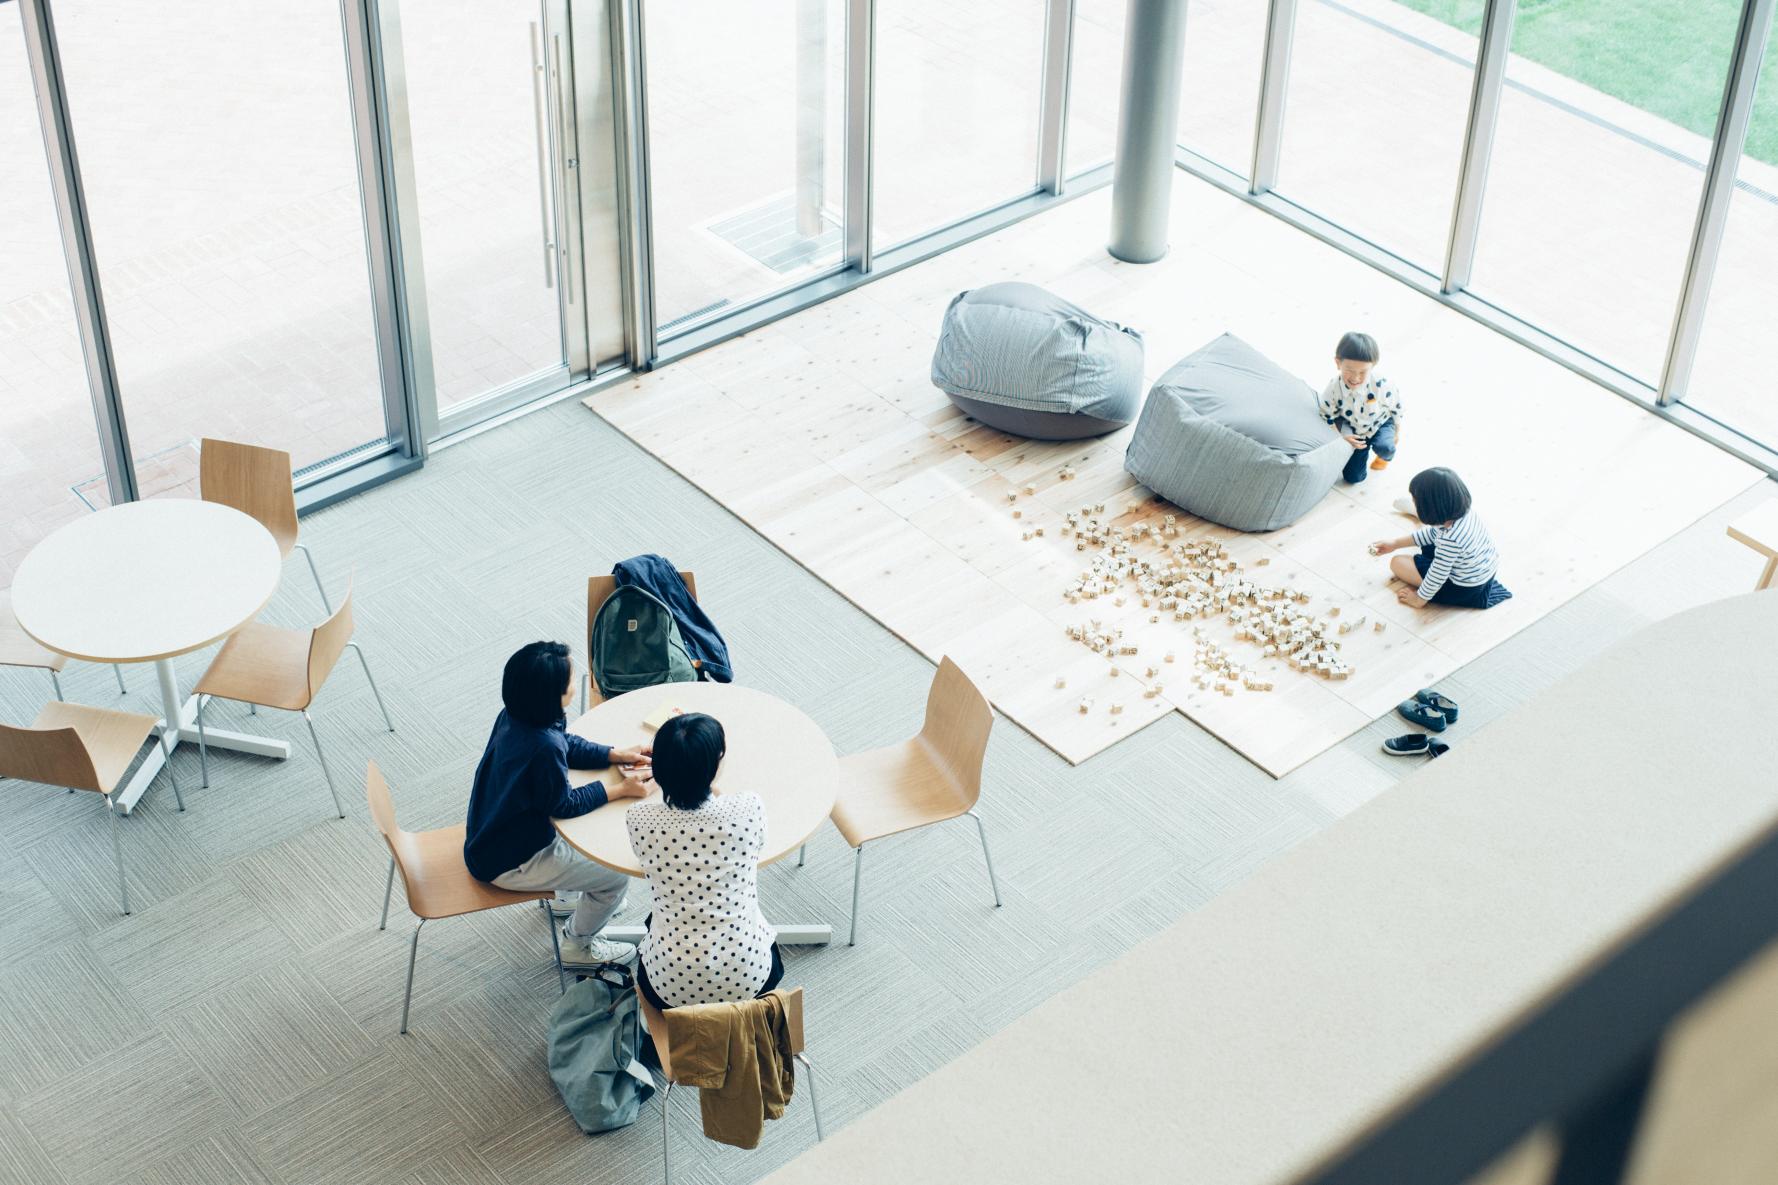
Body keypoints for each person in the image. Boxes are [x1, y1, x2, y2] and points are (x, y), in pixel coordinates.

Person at [465, 641, 653, 967]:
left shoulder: (516, 717)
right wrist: (619, 789)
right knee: (615, 879)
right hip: (511, 861)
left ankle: (567, 897)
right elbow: (563, 805)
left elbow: (563, 743)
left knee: (584, 842)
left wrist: (614, 754)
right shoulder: (542, 748)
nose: (576, 680)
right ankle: (577, 947)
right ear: (550, 695)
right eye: (569, 679)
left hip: (490, 835)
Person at [626, 712, 783, 1010]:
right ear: (715, 766)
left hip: (669, 986)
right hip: (749, 975)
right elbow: (757, 845)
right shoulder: (748, 808)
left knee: (655, 917)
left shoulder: (639, 818)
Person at [1369, 467, 1511, 609]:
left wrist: (1419, 599)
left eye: (1416, 502)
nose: (1414, 501)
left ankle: (1418, 516)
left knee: (1397, 563)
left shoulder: (1451, 539)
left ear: (1431, 509)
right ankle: (1418, 515)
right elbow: (1432, 533)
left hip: (1464, 589)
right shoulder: (1464, 512)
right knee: (1429, 538)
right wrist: (1395, 543)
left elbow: (1437, 575)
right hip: (1482, 570)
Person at [1318, 331, 1403, 485]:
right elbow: (1327, 414)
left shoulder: (1383, 384)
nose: (1356, 378)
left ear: (1373, 367)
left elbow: (1397, 408)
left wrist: (1396, 431)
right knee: (1353, 478)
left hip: (1381, 422)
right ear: (1338, 363)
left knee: (1387, 447)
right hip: (1353, 427)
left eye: (1363, 372)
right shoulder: (1333, 388)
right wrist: (1341, 436)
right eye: (1349, 370)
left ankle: (1384, 454)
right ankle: (1362, 453)